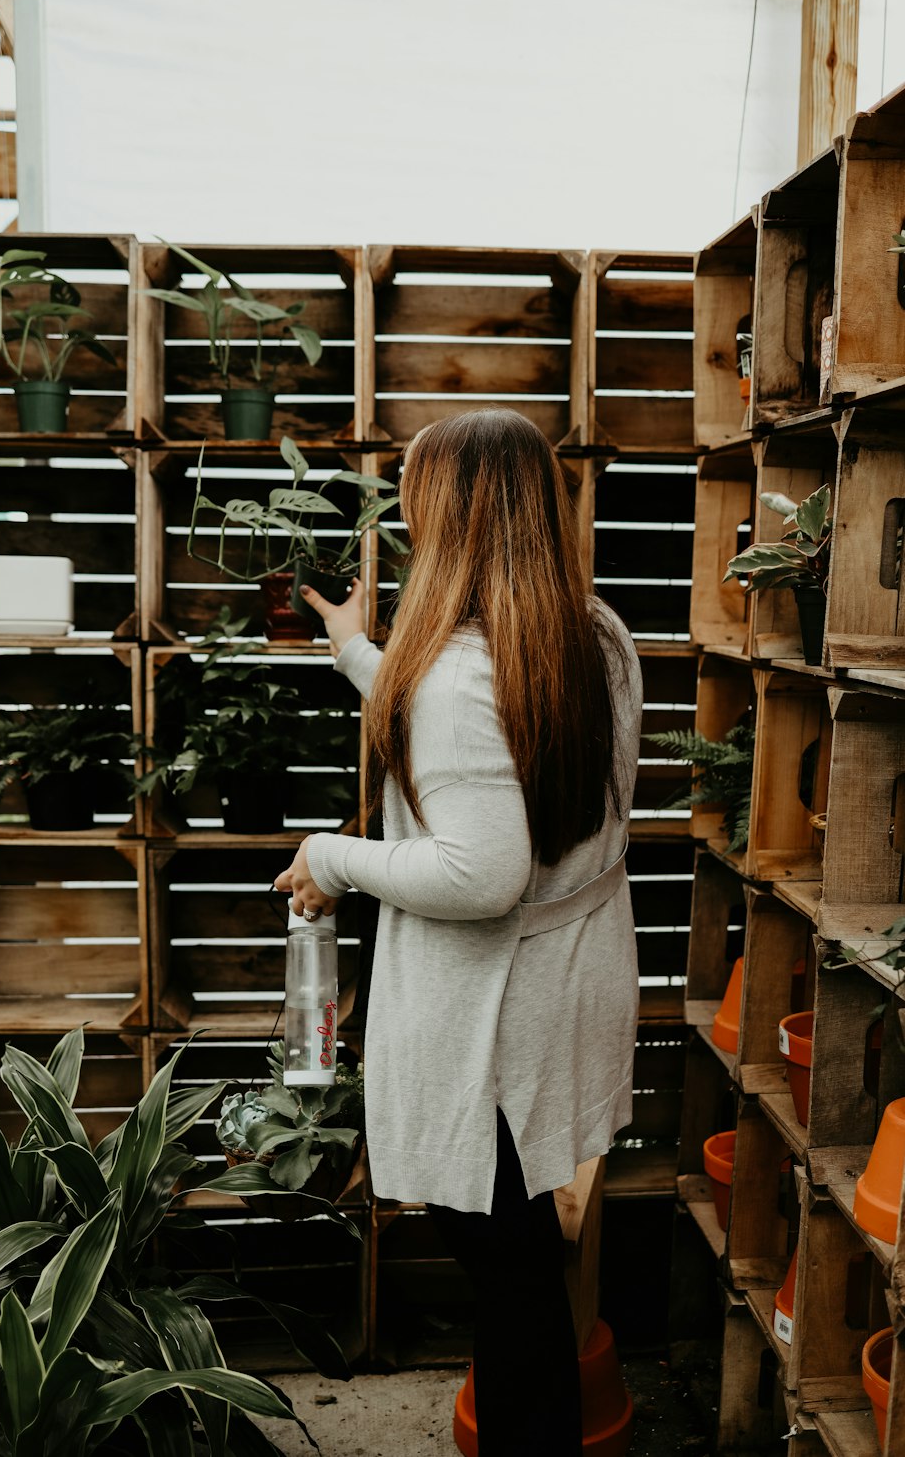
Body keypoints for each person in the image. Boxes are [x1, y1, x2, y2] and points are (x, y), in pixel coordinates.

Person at [274, 406, 642, 1453]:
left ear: (446, 511)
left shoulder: (457, 672)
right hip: (566, 988)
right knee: (527, 1260)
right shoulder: (593, 631)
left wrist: (333, 856)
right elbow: (480, 720)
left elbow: (480, 870)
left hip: (494, 1017)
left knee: (507, 1274)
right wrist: (358, 652)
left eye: (412, 494)